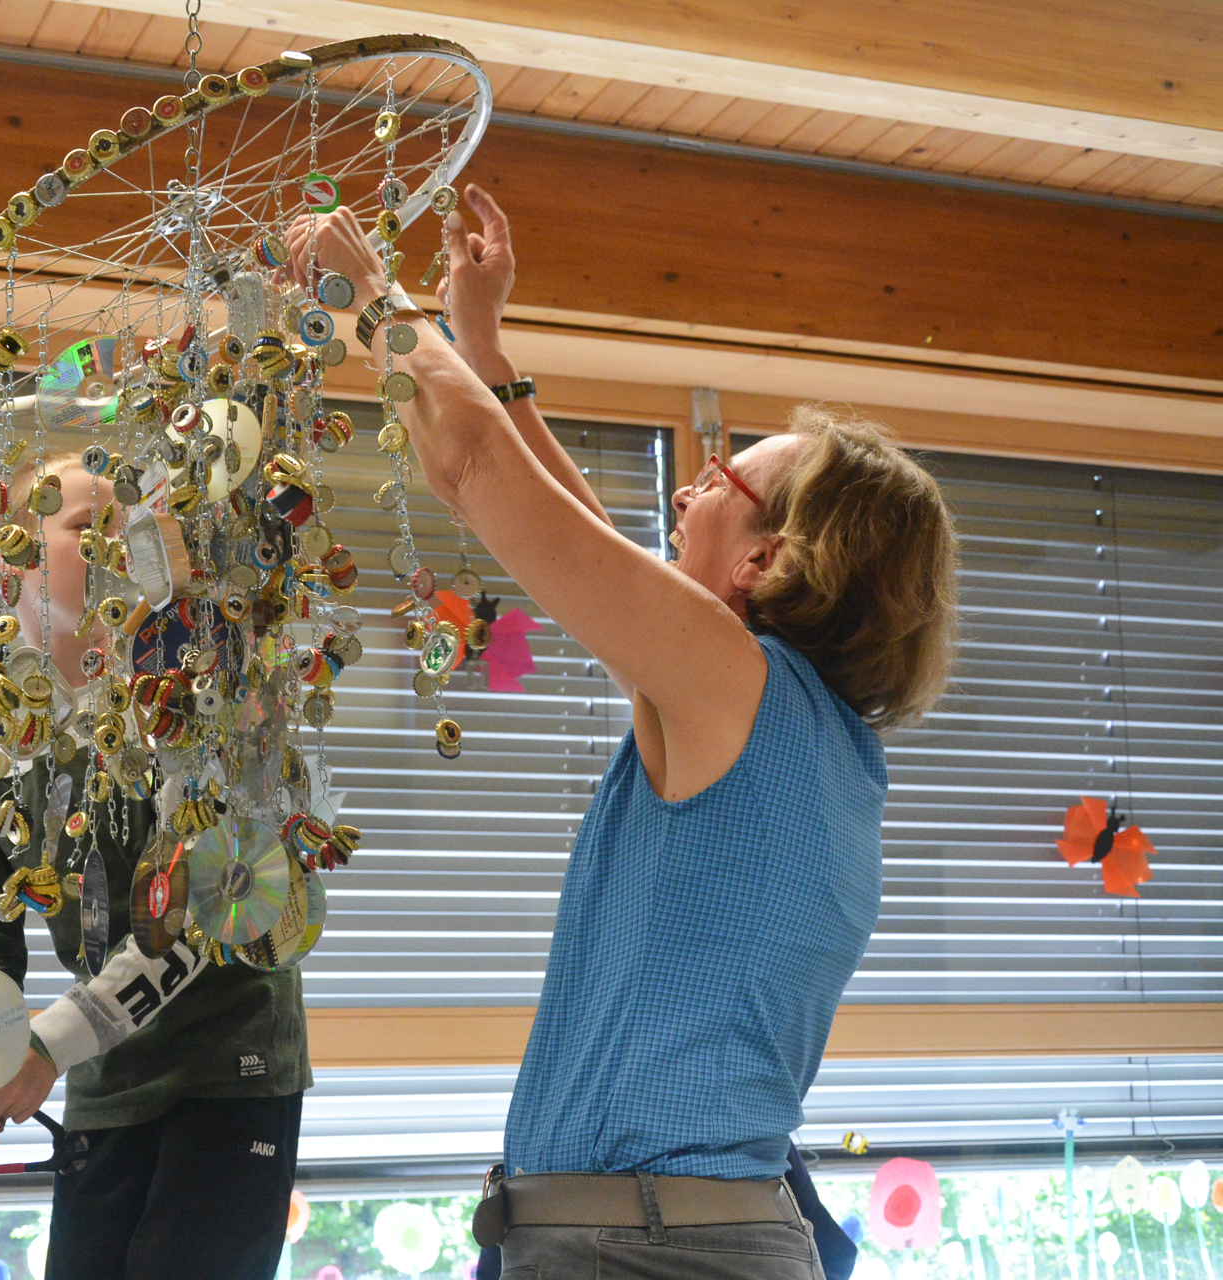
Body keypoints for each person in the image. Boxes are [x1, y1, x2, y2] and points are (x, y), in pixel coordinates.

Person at [290, 187, 958, 1278]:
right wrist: (482, 347)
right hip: (654, 1234)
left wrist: (369, 296)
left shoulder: (739, 686)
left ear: (767, 561)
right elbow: (576, 535)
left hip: (651, 1246)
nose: (688, 493)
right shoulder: (803, 729)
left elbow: (480, 472)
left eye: (720, 480)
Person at [0, 450, 310, 1280]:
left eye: (125, 523)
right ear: (13, 556)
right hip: (101, 1072)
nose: (114, 542)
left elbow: (199, 908)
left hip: (227, 1068)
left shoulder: (189, 696)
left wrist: (44, 1049)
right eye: (86, 525)